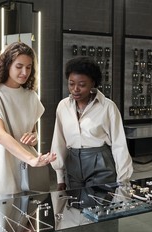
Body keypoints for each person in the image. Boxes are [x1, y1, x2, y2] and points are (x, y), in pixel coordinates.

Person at [0, 42, 56, 201]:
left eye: (29, 67)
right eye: (19, 66)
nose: (24, 72)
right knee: (3, 224)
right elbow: (0, 135)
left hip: (28, 174)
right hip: (3, 171)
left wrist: (34, 138)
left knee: (31, 222)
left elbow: (31, 132)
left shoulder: (31, 96)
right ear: (6, 65)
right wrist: (32, 159)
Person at [51, 56, 133, 191]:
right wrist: (60, 177)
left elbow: (119, 145)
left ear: (93, 83)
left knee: (98, 206)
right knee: (76, 206)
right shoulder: (63, 106)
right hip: (73, 164)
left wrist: (123, 180)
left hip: (100, 163)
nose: (75, 89)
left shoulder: (107, 107)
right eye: (71, 83)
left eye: (82, 85)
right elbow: (58, 141)